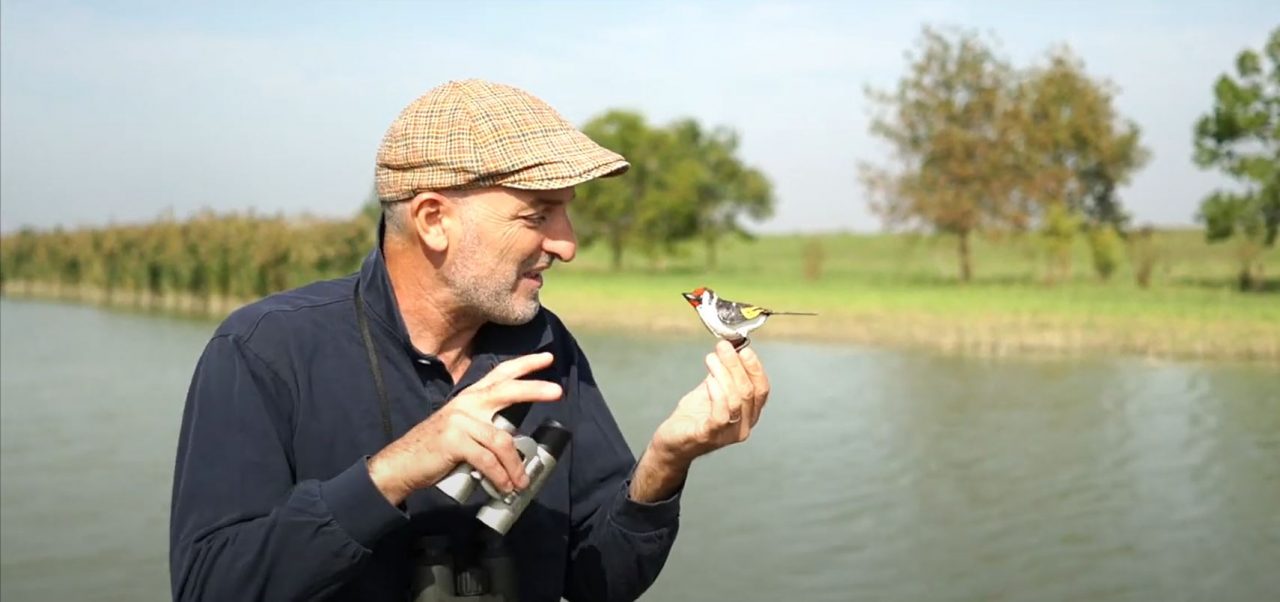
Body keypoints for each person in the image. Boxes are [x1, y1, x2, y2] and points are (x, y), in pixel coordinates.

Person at [169, 79, 771, 602]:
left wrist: (665, 464)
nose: (567, 244)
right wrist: (393, 472)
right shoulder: (263, 350)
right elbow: (210, 587)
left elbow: (600, 581)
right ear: (434, 220)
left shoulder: (547, 347)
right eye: (538, 215)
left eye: (567, 213)